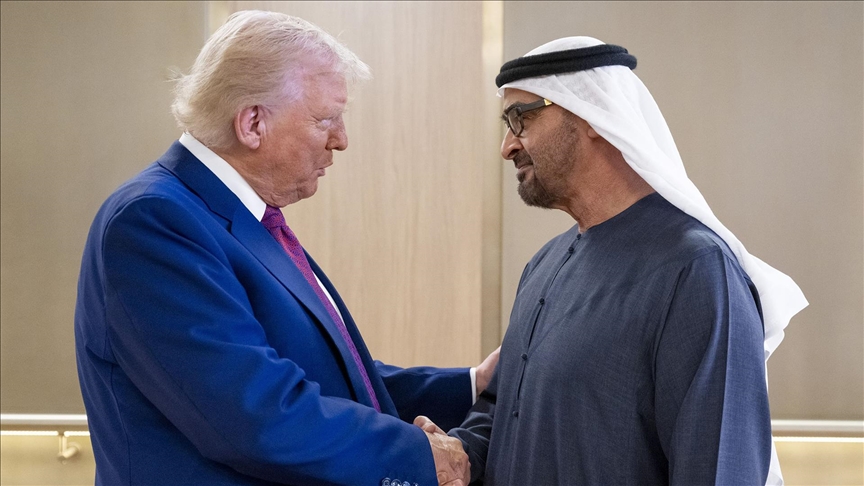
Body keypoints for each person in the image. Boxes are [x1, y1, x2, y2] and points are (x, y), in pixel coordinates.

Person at [74, 10, 487, 485]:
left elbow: (325, 376)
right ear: (252, 123)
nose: (341, 140)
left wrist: (471, 384)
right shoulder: (154, 220)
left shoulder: (238, 218)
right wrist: (419, 455)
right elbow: (254, 413)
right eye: (326, 119)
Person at [419, 37, 808, 485]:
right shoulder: (543, 265)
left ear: (590, 115)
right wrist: (461, 453)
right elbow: (506, 412)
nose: (507, 146)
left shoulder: (695, 270)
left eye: (521, 119)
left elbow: (717, 465)